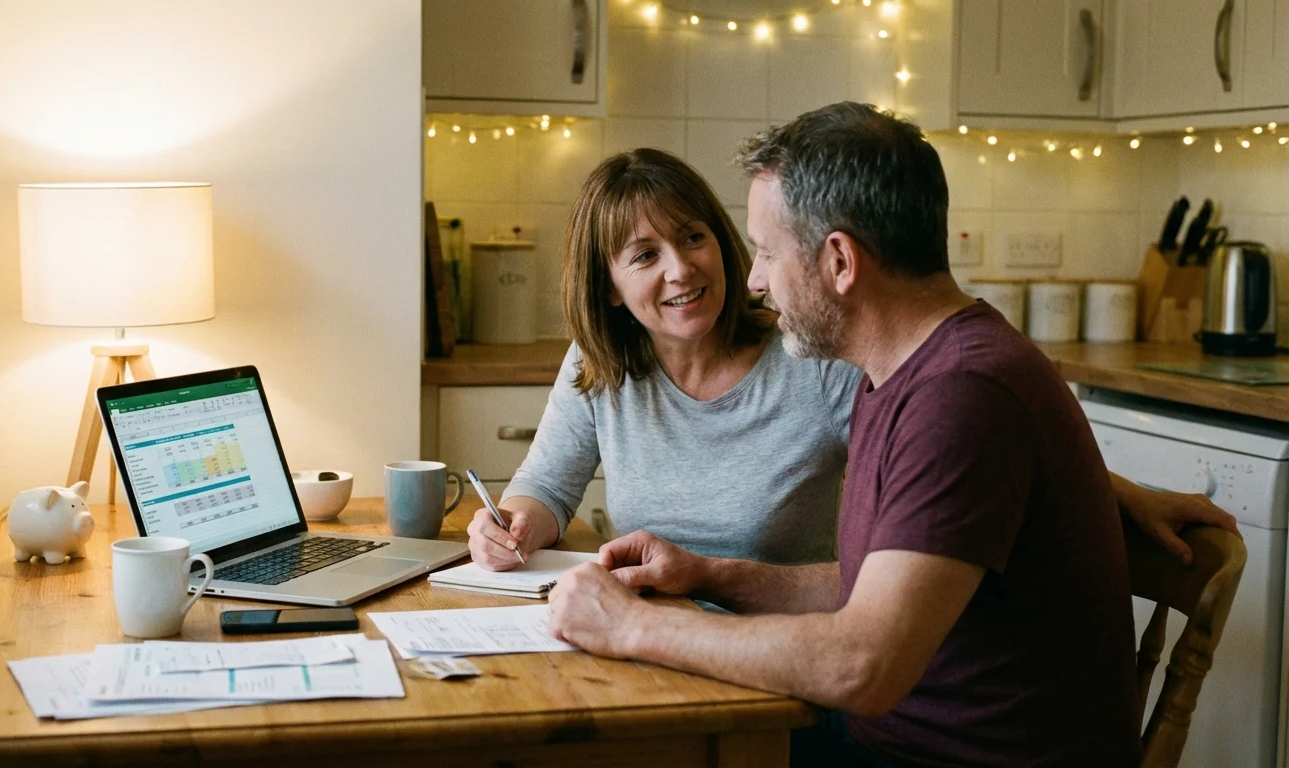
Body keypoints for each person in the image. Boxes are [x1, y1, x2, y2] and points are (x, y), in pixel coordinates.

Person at [543, 103, 1175, 766]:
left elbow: (860, 667)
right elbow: (869, 587)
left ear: (840, 261)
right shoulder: (898, 375)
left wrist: (633, 625)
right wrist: (710, 574)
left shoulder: (962, 394)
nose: (753, 280)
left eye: (765, 253)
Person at [466, 148, 1233, 575]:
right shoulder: (601, 365)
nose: (681, 269)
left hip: (785, 644)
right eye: (644, 254)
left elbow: (956, 451)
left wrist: (1117, 492)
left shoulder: (812, 356)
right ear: (606, 287)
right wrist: (515, 526)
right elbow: (543, 486)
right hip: (665, 643)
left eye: (694, 237)